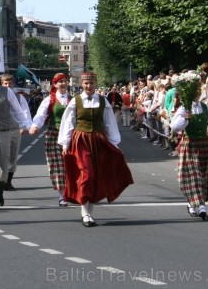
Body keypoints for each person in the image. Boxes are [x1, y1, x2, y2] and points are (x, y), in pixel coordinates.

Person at [58, 72, 133, 227]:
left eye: (91, 83)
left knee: (96, 175)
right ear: (82, 84)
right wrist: (65, 144)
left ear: (95, 84)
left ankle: (89, 211)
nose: (88, 86)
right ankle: (84, 211)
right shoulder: (75, 101)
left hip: (98, 140)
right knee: (87, 173)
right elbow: (68, 123)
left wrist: (114, 143)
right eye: (86, 83)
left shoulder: (103, 101)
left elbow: (109, 123)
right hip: (81, 140)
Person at [170, 73, 208, 220]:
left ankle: (198, 203)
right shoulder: (184, 108)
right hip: (190, 145)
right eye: (194, 91)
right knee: (193, 176)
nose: (197, 93)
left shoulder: (205, 107)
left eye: (197, 90)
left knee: (205, 175)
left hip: (204, 145)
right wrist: (185, 118)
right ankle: (196, 203)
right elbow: (175, 127)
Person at [0, 71, 38, 211]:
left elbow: (18, 110)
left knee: (4, 167)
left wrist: (28, 125)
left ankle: (0, 190)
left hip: (5, 131)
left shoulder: (7, 92)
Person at [32, 72, 70, 206]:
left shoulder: (74, 99)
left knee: (73, 165)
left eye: (65, 81)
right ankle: (61, 196)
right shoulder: (50, 99)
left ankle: (74, 192)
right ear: (55, 84)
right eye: (60, 81)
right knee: (58, 166)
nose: (63, 83)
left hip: (71, 135)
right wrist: (35, 126)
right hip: (54, 134)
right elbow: (41, 114)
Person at [0, 74, 33, 190]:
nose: (7, 86)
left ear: (13, 84)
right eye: (5, 84)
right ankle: (1, 180)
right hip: (0, 130)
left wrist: (25, 126)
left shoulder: (19, 98)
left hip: (14, 129)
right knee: (2, 156)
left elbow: (25, 112)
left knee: (13, 156)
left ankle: (8, 180)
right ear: (2, 84)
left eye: (9, 83)